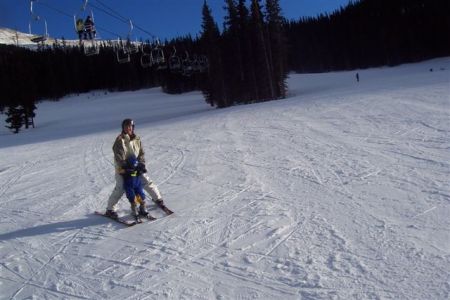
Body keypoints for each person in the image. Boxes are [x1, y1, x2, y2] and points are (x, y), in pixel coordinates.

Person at [105, 119, 164, 219]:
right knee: (121, 187)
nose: (128, 128)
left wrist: (141, 164)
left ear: (133, 127)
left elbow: (141, 153)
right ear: (123, 128)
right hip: (122, 168)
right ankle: (110, 209)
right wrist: (125, 167)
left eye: (130, 126)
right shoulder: (120, 140)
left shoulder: (137, 139)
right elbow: (119, 157)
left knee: (146, 181)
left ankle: (158, 199)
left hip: (135, 166)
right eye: (126, 126)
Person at [122, 154, 149, 220]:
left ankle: (142, 207)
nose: (134, 166)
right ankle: (134, 209)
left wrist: (142, 170)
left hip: (137, 184)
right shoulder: (126, 167)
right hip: (129, 185)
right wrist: (127, 171)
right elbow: (120, 171)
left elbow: (143, 168)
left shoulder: (138, 166)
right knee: (132, 197)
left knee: (141, 195)